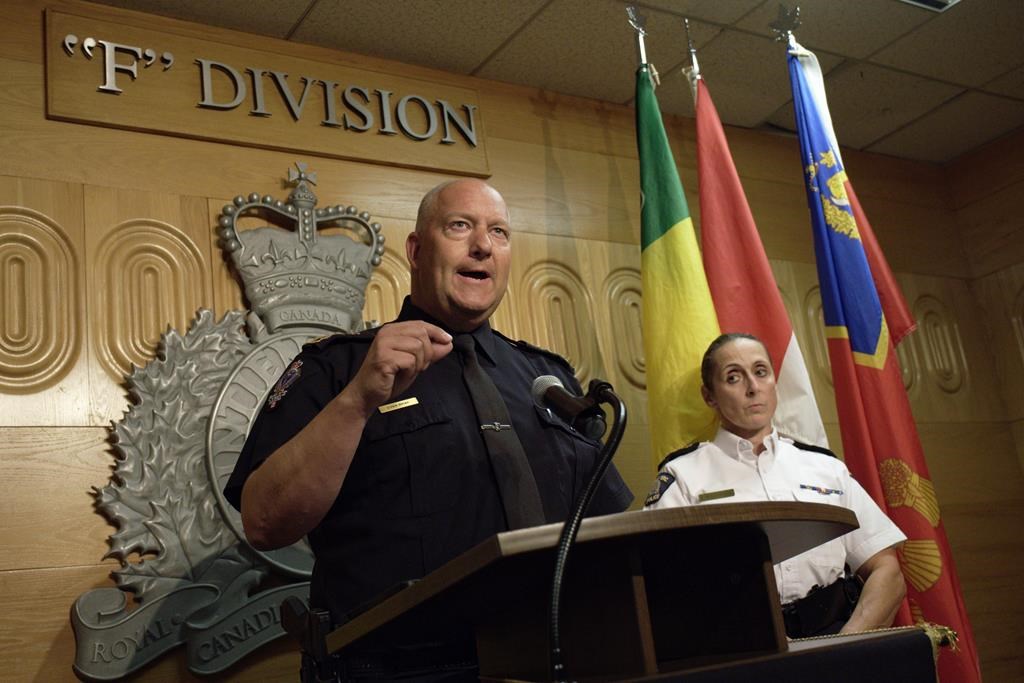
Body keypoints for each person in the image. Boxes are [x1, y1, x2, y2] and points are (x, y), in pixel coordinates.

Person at [224, 178, 633, 679]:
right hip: (400, 670)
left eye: (499, 232)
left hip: (558, 660)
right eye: (460, 226)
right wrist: (357, 402)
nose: (482, 245)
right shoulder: (339, 369)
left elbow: (610, 528)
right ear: (417, 250)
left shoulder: (547, 379)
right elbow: (265, 522)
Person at [644, 332, 906, 639]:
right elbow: (660, 588)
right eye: (733, 378)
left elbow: (887, 571)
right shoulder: (682, 477)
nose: (753, 388)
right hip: (738, 648)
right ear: (709, 396)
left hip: (833, 634)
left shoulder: (826, 468)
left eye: (760, 372)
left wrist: (845, 646)